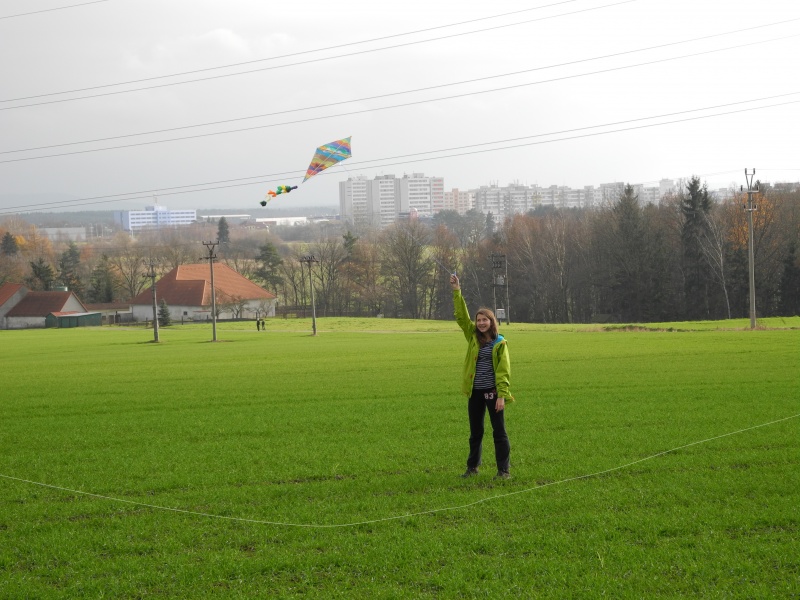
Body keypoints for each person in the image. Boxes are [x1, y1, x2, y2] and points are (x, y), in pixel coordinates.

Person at [450, 273, 514, 480]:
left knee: (499, 432)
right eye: (478, 320)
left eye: (485, 320)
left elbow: (503, 371)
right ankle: (472, 468)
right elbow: (461, 317)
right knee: (475, 432)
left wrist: (502, 395)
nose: (481, 323)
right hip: (475, 392)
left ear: (491, 322)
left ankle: (503, 471)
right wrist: (457, 291)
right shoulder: (472, 336)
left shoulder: (499, 343)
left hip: (493, 392)